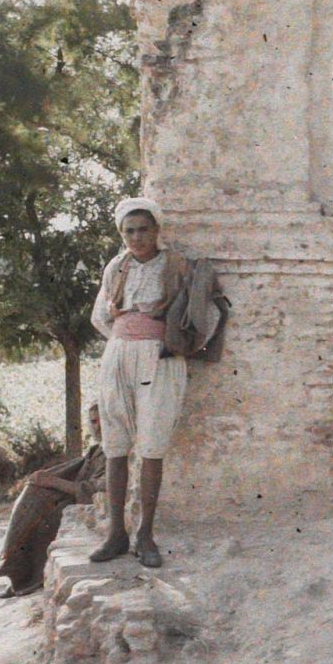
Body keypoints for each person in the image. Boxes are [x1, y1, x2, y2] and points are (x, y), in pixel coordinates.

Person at [89, 198, 190, 568]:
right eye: (129, 231)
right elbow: (100, 317)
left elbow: (196, 313)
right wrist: (126, 332)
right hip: (118, 355)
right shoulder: (117, 267)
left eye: (144, 229)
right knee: (114, 444)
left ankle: (145, 534)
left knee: (151, 445)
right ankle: (116, 532)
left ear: (157, 230)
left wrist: (156, 334)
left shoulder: (175, 265)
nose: (137, 237)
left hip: (160, 358)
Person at [0, 402, 108, 598]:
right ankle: (13, 566)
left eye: (103, 420)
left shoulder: (115, 451)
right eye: (94, 421)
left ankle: (27, 576)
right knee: (35, 492)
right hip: (78, 497)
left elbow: (97, 488)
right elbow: (76, 472)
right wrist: (48, 480)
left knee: (51, 515)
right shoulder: (96, 450)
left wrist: (55, 482)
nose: (98, 426)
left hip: (95, 503)